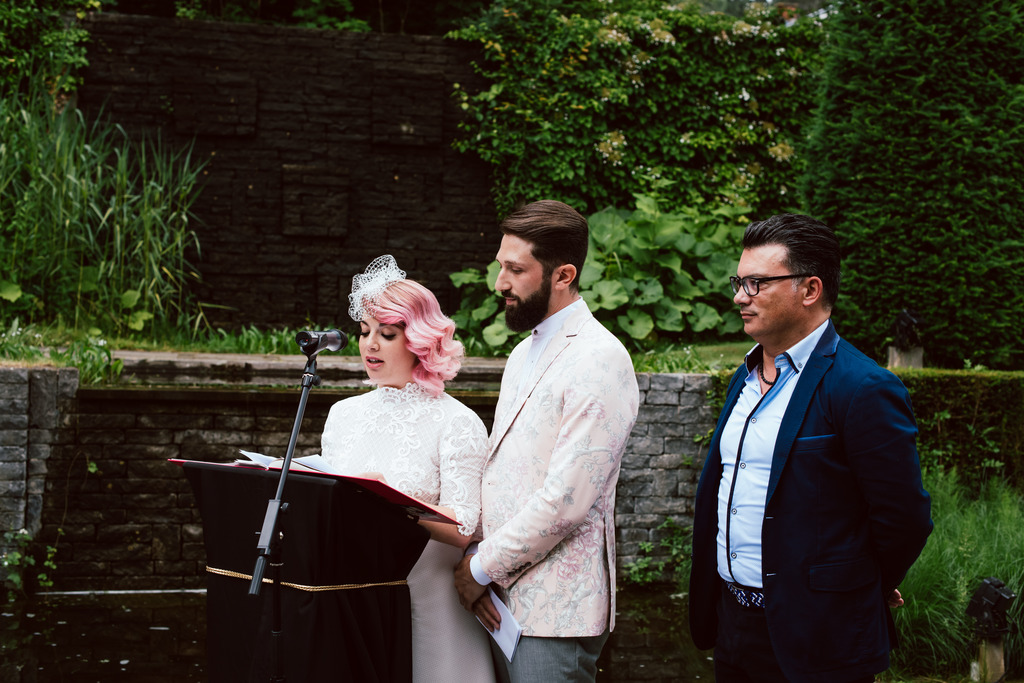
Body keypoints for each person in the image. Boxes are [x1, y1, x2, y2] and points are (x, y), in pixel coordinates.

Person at [688, 213, 933, 682]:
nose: (740, 296)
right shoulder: (744, 377)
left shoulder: (862, 388)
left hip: (820, 636)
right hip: (732, 626)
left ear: (810, 289)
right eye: (739, 282)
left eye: (757, 283)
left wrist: (860, 585)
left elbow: (904, 518)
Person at [453, 200, 640, 683]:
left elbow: (566, 500)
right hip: (500, 600)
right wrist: (477, 559)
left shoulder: (600, 358)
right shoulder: (522, 352)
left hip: (557, 613)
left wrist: (479, 568)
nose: (500, 283)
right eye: (501, 266)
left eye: (516, 270)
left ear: (563, 275)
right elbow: (503, 469)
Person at [321, 255, 495, 683]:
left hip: (431, 602)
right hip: (357, 600)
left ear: (419, 341)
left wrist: (394, 508)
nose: (370, 345)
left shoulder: (456, 422)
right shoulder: (343, 414)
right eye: (364, 332)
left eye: (387, 334)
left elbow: (465, 527)